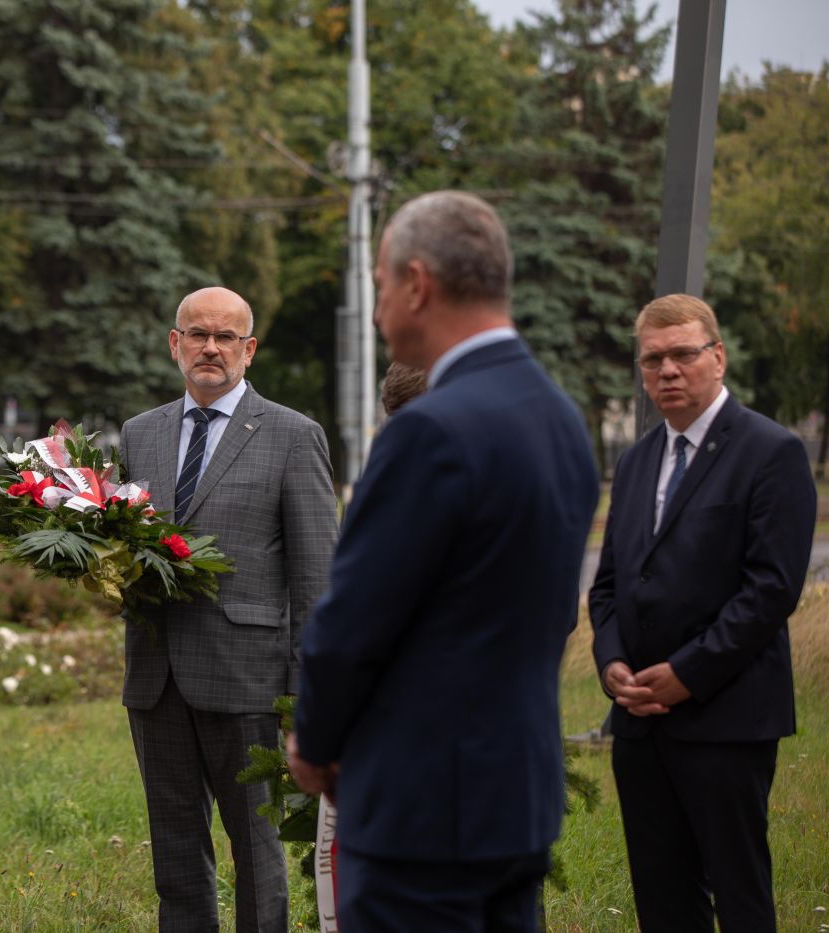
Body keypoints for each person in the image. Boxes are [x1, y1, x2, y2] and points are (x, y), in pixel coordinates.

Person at [288, 191, 599, 931]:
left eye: (380, 287)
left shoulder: (428, 430)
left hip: (423, 807)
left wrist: (318, 744)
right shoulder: (559, 417)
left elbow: (353, 623)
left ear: (417, 284)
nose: (376, 312)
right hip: (516, 796)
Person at [588, 294, 815, 932]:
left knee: (740, 897)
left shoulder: (771, 451)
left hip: (726, 718)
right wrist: (611, 663)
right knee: (662, 901)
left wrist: (687, 673)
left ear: (718, 357)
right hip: (640, 724)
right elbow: (608, 585)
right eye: (652, 359)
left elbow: (771, 589)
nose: (667, 370)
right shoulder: (636, 462)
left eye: (683, 354)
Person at [119, 286, 338, 933]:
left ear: (249, 349)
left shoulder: (294, 436)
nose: (210, 347)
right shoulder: (139, 433)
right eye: (197, 334)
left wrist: (306, 696)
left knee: (257, 853)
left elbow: (317, 578)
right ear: (175, 344)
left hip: (249, 680)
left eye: (225, 337)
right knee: (175, 850)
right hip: (156, 678)